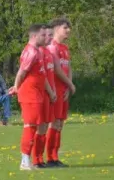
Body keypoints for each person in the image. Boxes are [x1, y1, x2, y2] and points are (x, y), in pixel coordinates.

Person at [9, 24, 46, 171]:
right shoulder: (31, 52)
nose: (45, 37)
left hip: (35, 94)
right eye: (43, 35)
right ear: (35, 36)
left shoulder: (36, 51)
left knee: (34, 126)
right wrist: (17, 87)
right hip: (30, 95)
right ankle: (24, 162)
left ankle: (28, 160)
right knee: (30, 127)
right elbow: (21, 72)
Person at [46, 18, 75, 167]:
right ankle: (50, 157)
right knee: (54, 123)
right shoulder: (52, 47)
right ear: (56, 29)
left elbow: (68, 67)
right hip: (55, 90)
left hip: (64, 90)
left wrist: (69, 86)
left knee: (60, 124)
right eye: (65, 27)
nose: (68, 30)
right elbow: (57, 70)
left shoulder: (64, 48)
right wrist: (69, 84)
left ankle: (55, 157)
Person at [32, 24, 57, 168]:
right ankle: (36, 159)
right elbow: (42, 77)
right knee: (40, 126)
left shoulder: (48, 52)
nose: (49, 37)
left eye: (51, 35)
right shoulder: (38, 52)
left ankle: (41, 158)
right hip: (42, 94)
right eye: (47, 35)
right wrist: (51, 91)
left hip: (49, 95)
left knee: (45, 126)